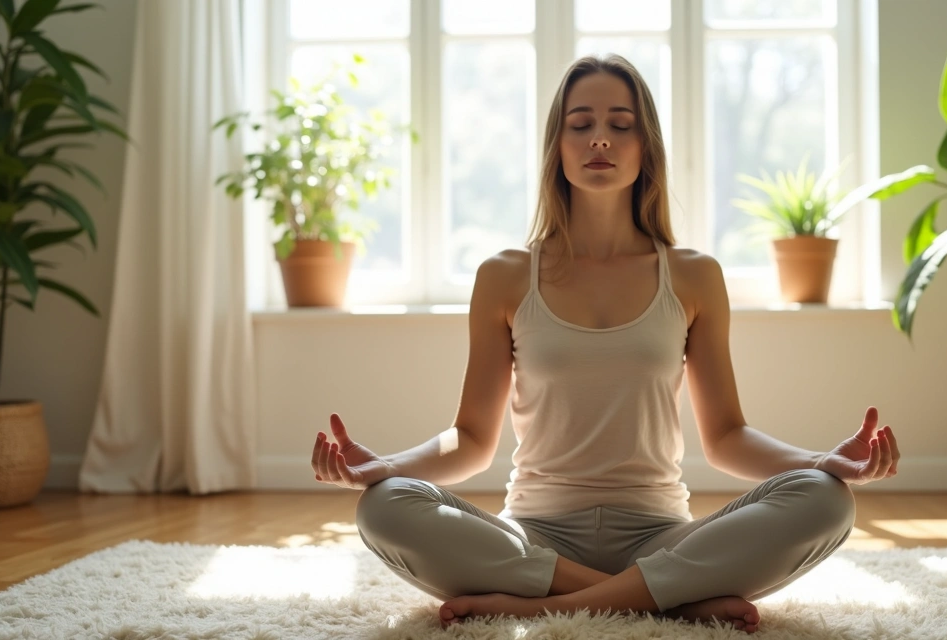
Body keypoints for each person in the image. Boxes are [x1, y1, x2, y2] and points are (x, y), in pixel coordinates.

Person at [310, 54, 900, 633]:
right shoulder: (506, 275)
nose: (600, 140)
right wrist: (387, 467)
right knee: (385, 507)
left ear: (646, 148)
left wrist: (819, 463)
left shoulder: (693, 275)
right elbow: (470, 440)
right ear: (557, 146)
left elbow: (726, 439)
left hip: (661, 534)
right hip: (536, 536)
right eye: (581, 124)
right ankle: (665, 599)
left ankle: (545, 605)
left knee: (826, 499)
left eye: (621, 125)